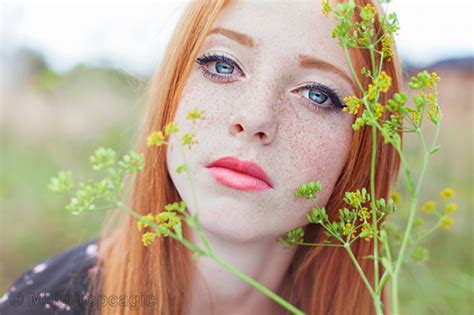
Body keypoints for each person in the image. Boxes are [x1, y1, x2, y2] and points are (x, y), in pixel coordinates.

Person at [0, 0, 402, 314]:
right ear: (172, 87)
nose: (254, 117)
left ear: (365, 146)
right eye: (222, 65)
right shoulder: (48, 304)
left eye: (317, 94)